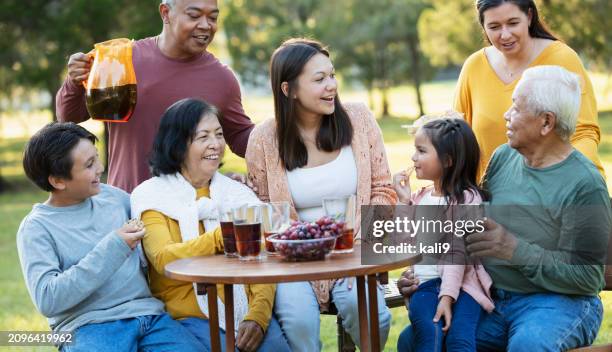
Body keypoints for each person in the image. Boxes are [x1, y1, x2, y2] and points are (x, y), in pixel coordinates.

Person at [398, 65, 612, 351]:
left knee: (527, 346)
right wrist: (425, 275)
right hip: (493, 299)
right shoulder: (502, 158)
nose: (506, 115)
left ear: (546, 123)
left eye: (516, 108)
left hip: (559, 303)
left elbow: (588, 278)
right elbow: (464, 232)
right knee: (413, 340)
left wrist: (514, 250)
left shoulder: (585, 184)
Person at [246, 38, 396, 351]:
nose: (332, 86)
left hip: (352, 249)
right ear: (289, 90)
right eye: (319, 79)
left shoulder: (359, 119)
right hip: (291, 262)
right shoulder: (264, 138)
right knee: (300, 323)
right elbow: (261, 209)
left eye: (332, 75)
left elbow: (383, 188)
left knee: (371, 315)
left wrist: (363, 244)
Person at [17, 122, 204, 351]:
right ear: (57, 180)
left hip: (150, 317)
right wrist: (115, 246)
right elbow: (48, 299)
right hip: (88, 327)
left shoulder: (113, 198)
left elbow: (168, 205)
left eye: (96, 158)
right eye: (89, 165)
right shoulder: (37, 228)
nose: (100, 168)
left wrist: (224, 185)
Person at [130, 98, 290, 352]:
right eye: (203, 136)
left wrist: (258, 315)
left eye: (219, 134)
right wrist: (223, 236)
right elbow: (163, 258)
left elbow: (262, 257)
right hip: (189, 315)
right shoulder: (152, 196)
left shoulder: (236, 194)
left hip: (249, 308)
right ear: (177, 143)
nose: (216, 144)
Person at [56, 0, 254, 193]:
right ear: (165, 13)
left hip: (194, 213)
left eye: (213, 17)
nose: (205, 25)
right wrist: (75, 81)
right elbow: (69, 117)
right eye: (194, 15)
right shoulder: (121, 60)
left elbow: (240, 136)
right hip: (128, 207)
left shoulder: (221, 78)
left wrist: (278, 135)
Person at [454, 0, 604, 177]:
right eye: (494, 27)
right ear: (483, 27)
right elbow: (458, 135)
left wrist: (560, 181)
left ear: (529, 16)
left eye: (513, 23)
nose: (505, 35)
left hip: (556, 192)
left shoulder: (562, 59)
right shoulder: (474, 66)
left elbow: (584, 133)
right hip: (493, 197)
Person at [393, 114, 495, 352]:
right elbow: (402, 245)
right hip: (425, 286)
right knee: (430, 336)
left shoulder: (468, 199)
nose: (413, 157)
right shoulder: (420, 198)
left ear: (447, 160)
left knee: (460, 339)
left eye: (421, 150)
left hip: (465, 288)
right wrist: (403, 201)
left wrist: (447, 297)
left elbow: (457, 253)